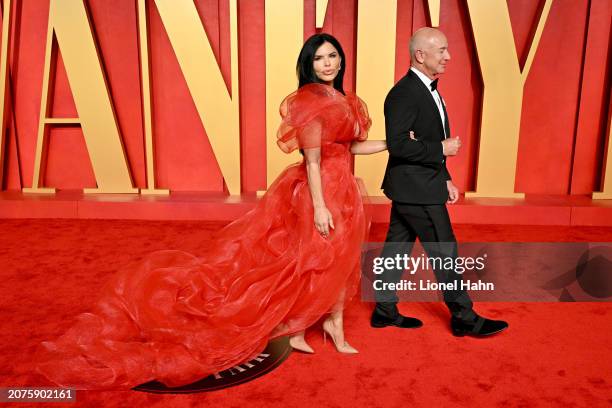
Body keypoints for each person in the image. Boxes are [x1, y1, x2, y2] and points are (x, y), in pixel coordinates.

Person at [35, 33, 388, 389]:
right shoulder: (311, 103)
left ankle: (330, 324)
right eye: (319, 58)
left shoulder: (343, 100)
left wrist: (392, 143)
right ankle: (298, 327)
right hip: (319, 193)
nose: (328, 63)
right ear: (308, 65)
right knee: (307, 260)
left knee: (340, 260)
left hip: (341, 188)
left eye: (332, 56)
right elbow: (312, 161)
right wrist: (320, 207)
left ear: (341, 60)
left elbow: (350, 147)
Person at [372, 27, 508, 337]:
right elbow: (398, 144)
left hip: (417, 185)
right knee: (444, 250)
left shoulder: (428, 88)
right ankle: (464, 317)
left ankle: (383, 310)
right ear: (421, 55)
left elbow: (424, 139)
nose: (448, 56)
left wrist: (444, 176)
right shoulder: (404, 93)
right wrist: (441, 149)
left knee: (396, 248)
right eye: (442, 50)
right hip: (417, 190)